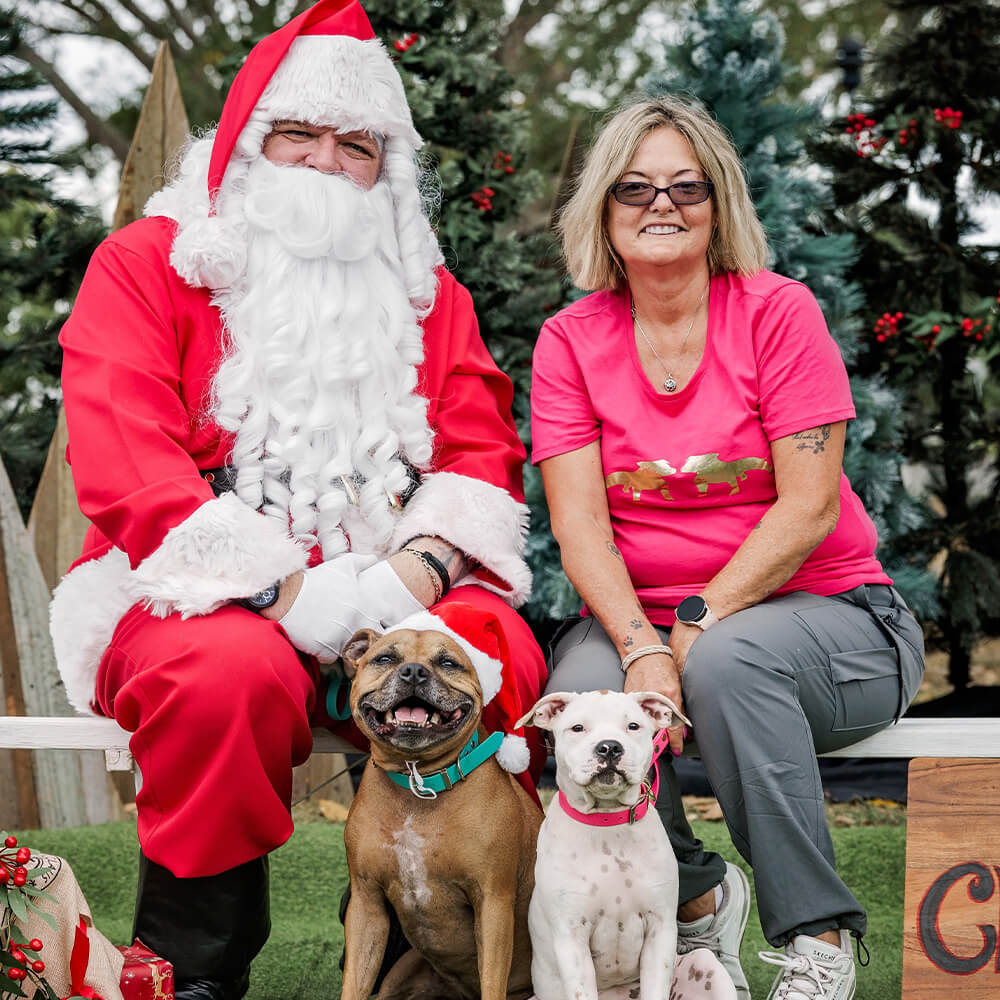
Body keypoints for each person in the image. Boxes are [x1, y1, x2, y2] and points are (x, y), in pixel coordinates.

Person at [50, 2, 547, 997]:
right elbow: (123, 456)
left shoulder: (425, 290)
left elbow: (482, 444)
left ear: (383, 168)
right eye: (298, 136)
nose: (325, 164)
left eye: (354, 144)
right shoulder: (149, 264)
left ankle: (433, 951)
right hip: (196, 592)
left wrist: (417, 572)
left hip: (396, 589)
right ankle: (194, 972)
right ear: (243, 148)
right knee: (217, 677)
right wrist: (282, 592)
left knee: (495, 652)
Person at [530, 94, 924, 1000]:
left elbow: (809, 508)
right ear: (603, 207)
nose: (660, 205)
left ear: (720, 204)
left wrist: (696, 623)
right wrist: (639, 644)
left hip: (835, 620)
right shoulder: (570, 340)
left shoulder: (778, 314)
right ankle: (699, 896)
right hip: (651, 616)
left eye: (686, 186)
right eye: (634, 188)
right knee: (579, 700)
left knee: (729, 662)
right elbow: (581, 525)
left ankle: (817, 940)